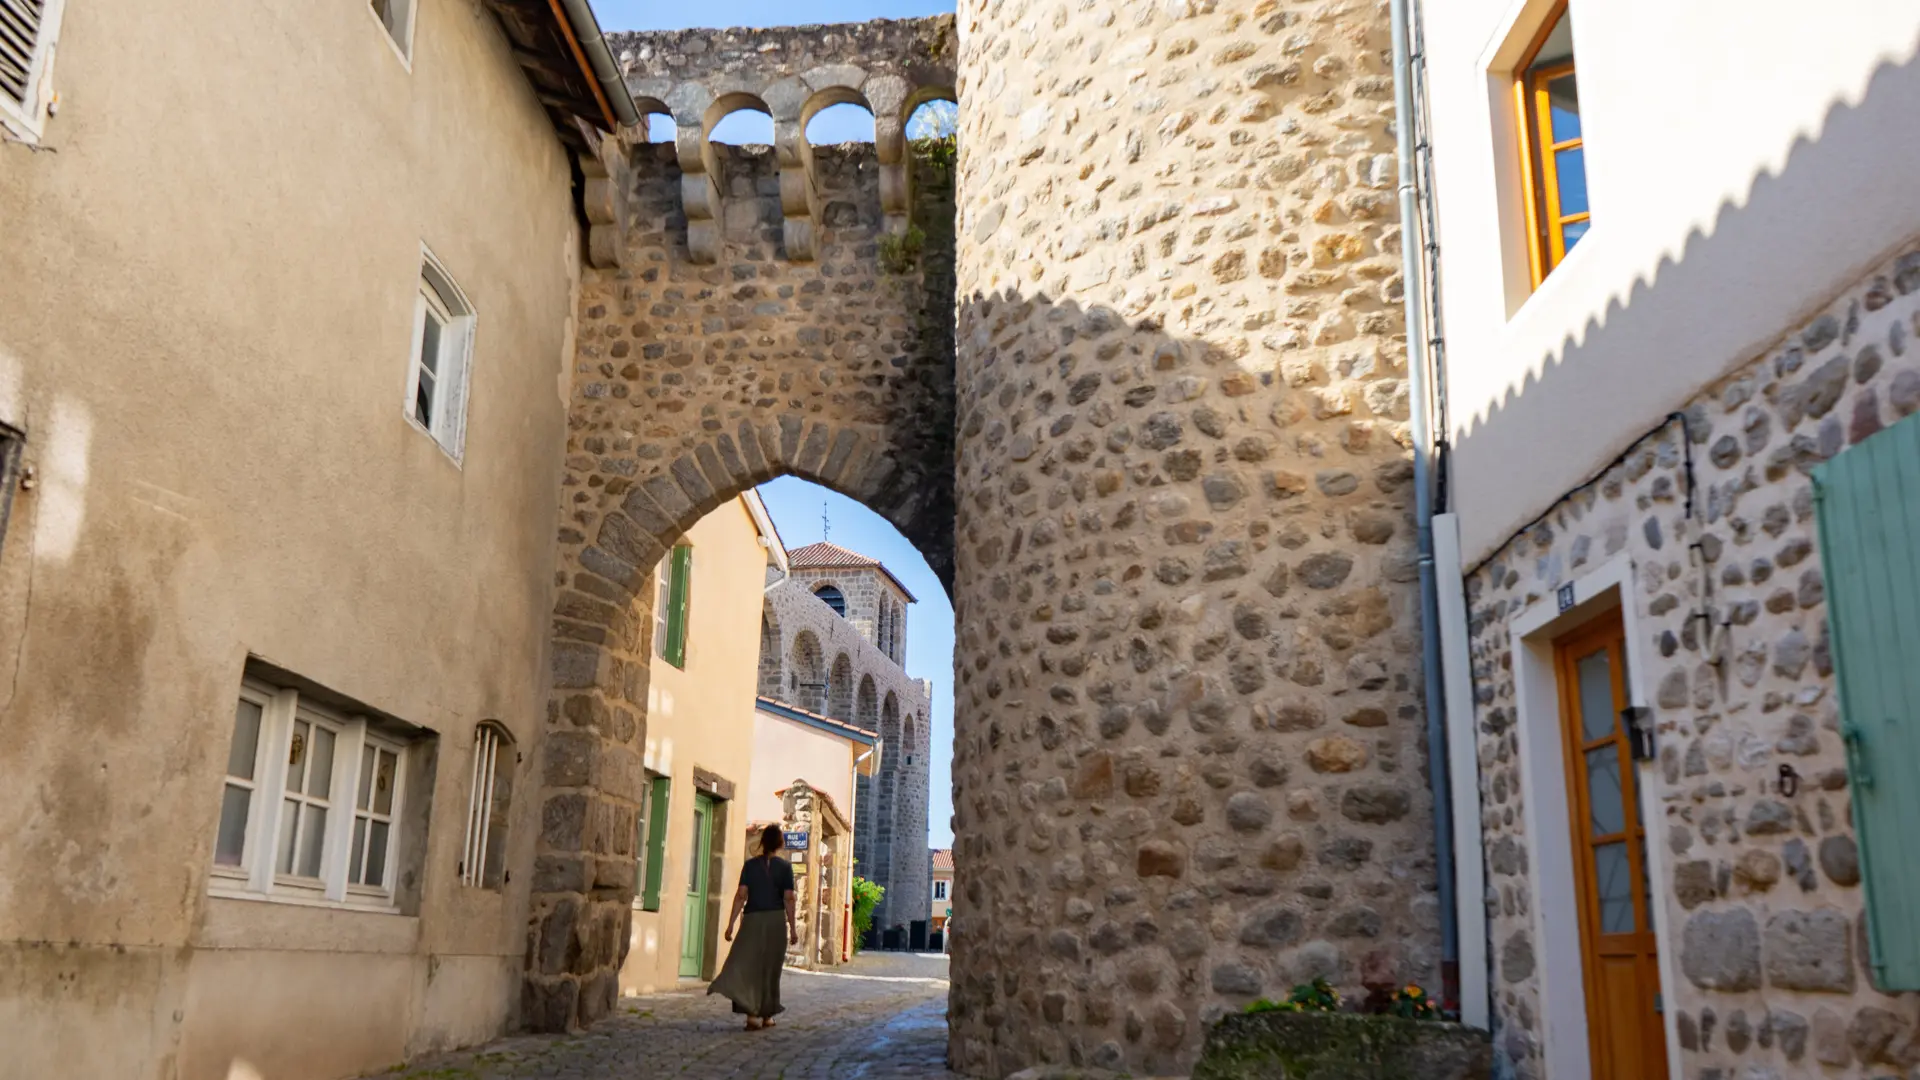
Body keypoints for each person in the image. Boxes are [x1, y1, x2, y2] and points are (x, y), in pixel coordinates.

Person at [707, 824, 798, 1031]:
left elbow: (741, 895)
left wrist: (730, 924)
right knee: (770, 969)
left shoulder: (749, 866)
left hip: (752, 920)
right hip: (775, 922)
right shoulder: (785, 868)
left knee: (749, 965)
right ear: (780, 844)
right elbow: (789, 899)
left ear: (762, 842)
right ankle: (766, 1015)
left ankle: (752, 1015)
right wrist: (792, 928)